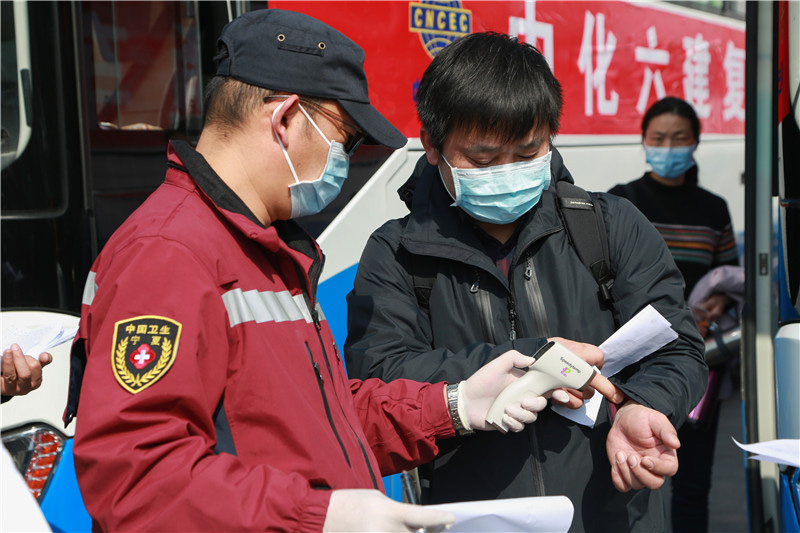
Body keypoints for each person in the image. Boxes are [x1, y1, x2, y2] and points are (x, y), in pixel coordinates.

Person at [61, 11, 619, 531]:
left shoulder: (260, 247)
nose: (343, 159)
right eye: (345, 138)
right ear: (284, 118)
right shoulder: (171, 252)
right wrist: (320, 515)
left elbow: (318, 418)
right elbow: (137, 476)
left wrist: (455, 404)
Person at [344, 32, 708, 532]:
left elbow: (679, 348)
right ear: (432, 146)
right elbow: (379, 376)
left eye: (528, 150)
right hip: (475, 518)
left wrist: (643, 405)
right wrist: (531, 360)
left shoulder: (609, 225)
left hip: (613, 516)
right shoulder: (396, 253)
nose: (509, 171)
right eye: (484, 159)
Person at [608, 96, 739, 533]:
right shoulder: (619, 204)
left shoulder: (713, 208)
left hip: (698, 358)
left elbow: (732, 278)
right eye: (658, 138)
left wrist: (719, 304)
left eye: (678, 139)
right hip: (633, 363)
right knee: (631, 475)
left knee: (691, 479)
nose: (668, 147)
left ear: (696, 143)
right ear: (643, 141)